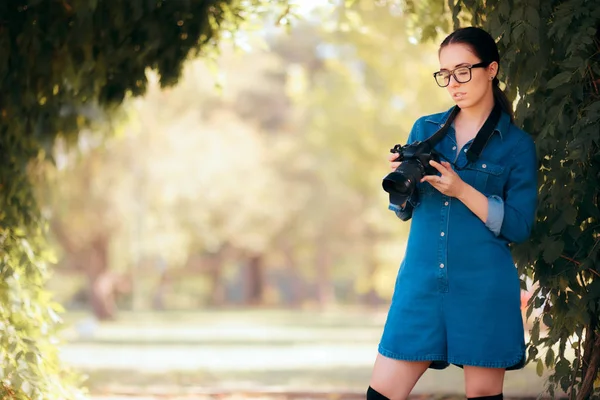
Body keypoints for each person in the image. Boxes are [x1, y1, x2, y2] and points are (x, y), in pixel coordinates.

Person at [368, 27, 538, 400]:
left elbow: (519, 226)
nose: (453, 84)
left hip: (484, 287)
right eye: (445, 74)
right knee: (381, 393)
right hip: (421, 282)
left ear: (491, 69)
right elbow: (403, 211)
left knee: (482, 395)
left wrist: (462, 190)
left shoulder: (517, 146)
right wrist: (402, 183)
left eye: (463, 71)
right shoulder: (425, 129)